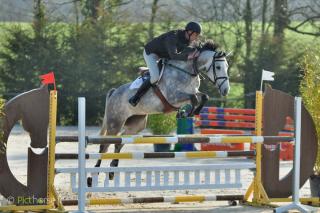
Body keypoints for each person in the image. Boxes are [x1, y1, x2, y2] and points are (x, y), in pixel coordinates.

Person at [129, 21, 202, 107]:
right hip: (152, 53)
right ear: (189, 32)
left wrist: (199, 51)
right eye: (196, 35)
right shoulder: (173, 37)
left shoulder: (187, 40)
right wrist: (187, 57)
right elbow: (174, 55)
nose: (196, 37)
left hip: (165, 55)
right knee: (155, 77)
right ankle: (135, 97)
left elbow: (186, 50)